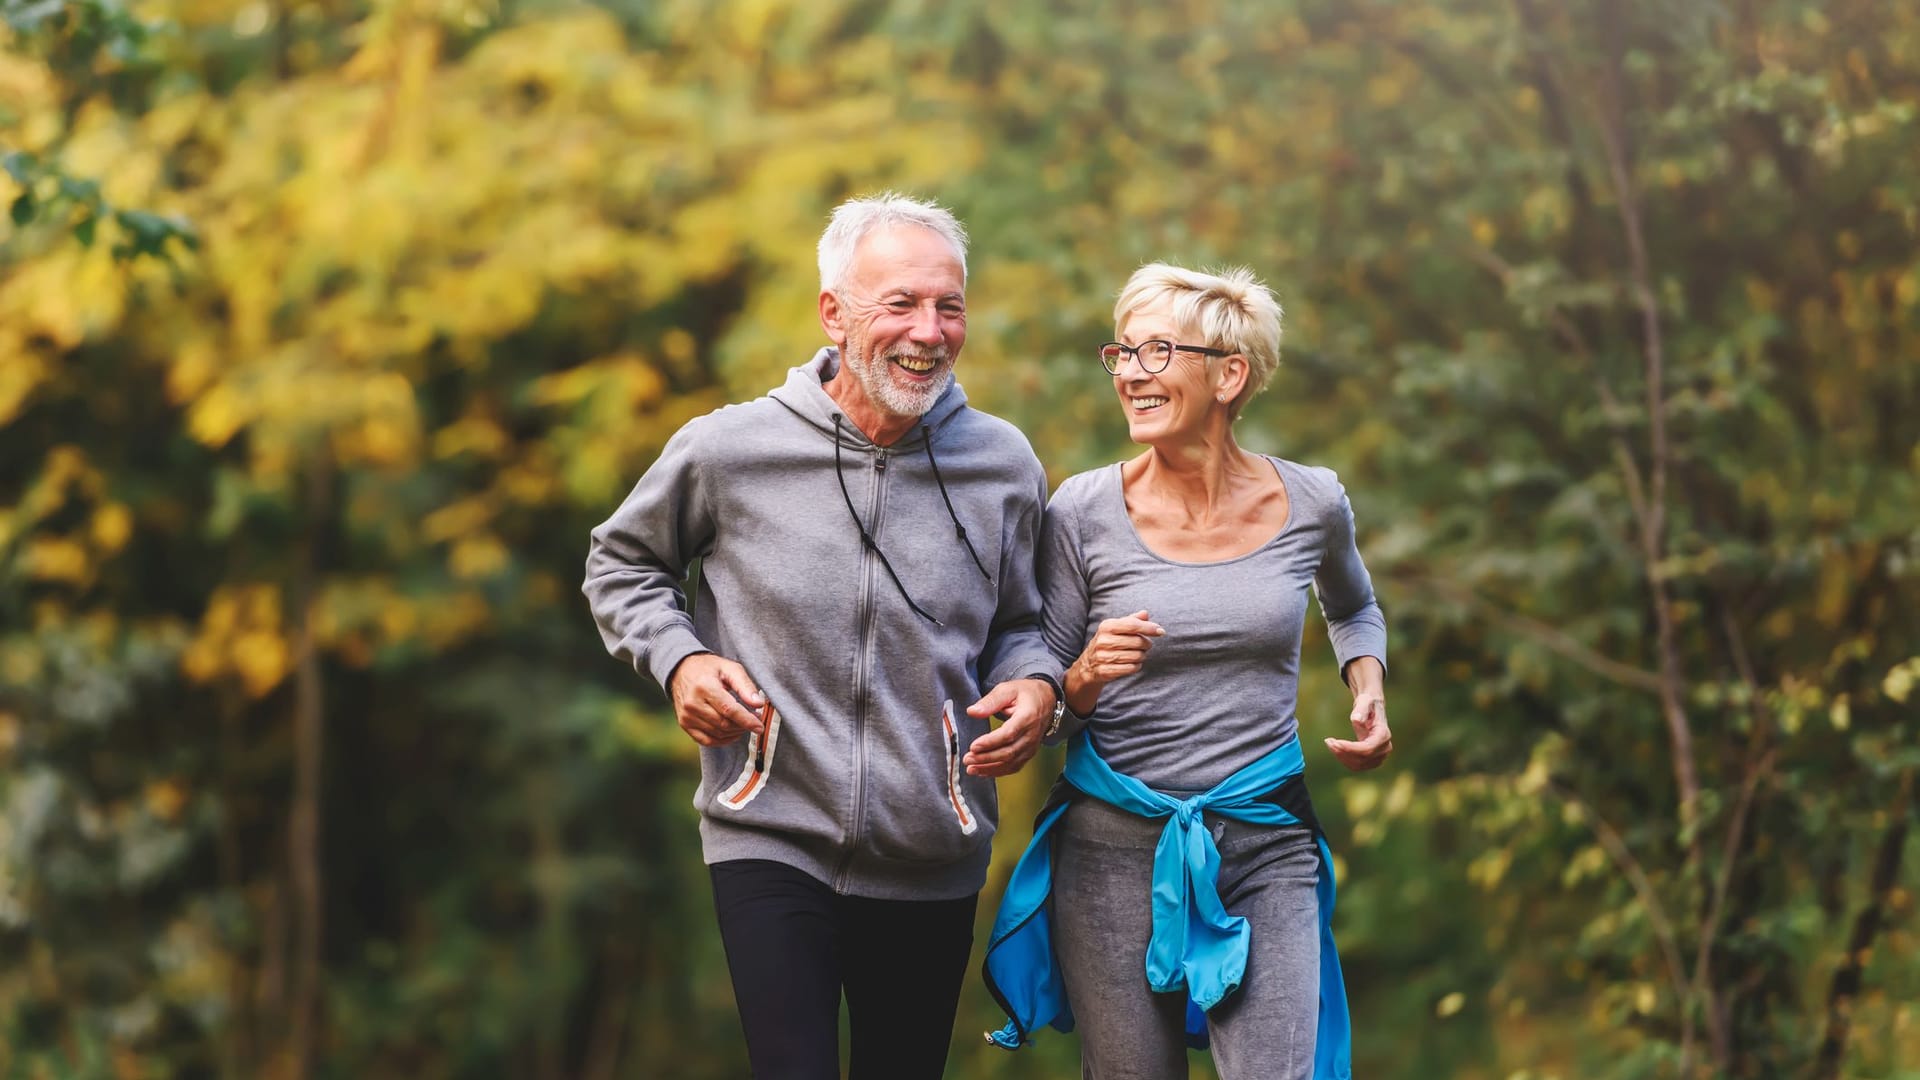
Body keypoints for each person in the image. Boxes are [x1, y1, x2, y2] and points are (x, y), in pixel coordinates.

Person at [582, 193, 1064, 1080]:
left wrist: (1039, 686)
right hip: (770, 828)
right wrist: (680, 658)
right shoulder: (729, 450)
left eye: (948, 306)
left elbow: (1027, 622)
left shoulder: (1003, 464)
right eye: (902, 304)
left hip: (935, 844)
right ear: (834, 314)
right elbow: (621, 564)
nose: (929, 330)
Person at [982, 263, 1391, 1080]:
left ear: (1229, 374)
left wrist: (1368, 686)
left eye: (1158, 351)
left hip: (1266, 840)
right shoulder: (1082, 511)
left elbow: (1351, 608)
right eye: (1122, 352)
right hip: (1109, 852)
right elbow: (1051, 700)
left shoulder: (1313, 501)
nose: (1130, 372)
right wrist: (1087, 675)